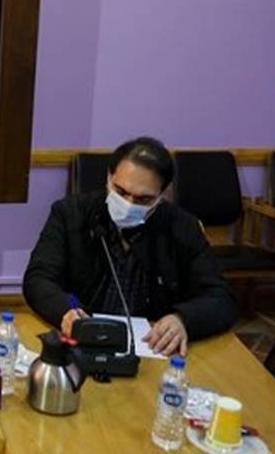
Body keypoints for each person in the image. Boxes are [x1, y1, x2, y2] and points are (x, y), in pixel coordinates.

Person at [24, 136, 237, 356]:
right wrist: (66, 309)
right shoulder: (70, 213)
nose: (128, 204)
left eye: (143, 199)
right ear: (109, 178)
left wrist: (183, 319)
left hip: (150, 345)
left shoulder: (182, 227)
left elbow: (222, 297)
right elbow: (38, 278)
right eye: (121, 192)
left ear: (162, 195)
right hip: (81, 338)